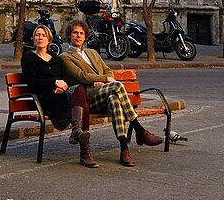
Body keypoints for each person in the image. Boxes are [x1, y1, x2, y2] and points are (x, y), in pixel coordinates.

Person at [60, 20, 162, 167]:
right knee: (117, 86)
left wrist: (104, 80)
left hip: (104, 93)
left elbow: (108, 70)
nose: (78, 36)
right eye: (75, 32)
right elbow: (81, 76)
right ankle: (140, 130)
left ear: (85, 36)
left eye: (81, 33)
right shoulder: (66, 56)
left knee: (115, 99)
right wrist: (103, 79)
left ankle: (124, 149)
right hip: (87, 97)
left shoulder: (92, 53)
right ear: (69, 35)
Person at [21, 24, 98, 168]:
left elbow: (68, 80)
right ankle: (83, 147)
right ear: (33, 38)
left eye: (43, 35)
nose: (40, 38)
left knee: (79, 89)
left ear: (49, 39)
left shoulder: (56, 59)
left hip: (61, 95)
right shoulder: (28, 58)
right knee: (84, 105)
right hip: (45, 98)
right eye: (37, 35)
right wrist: (53, 83)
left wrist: (64, 86)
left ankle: (76, 130)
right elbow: (31, 82)